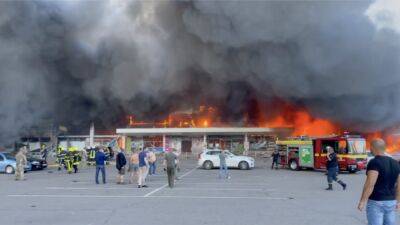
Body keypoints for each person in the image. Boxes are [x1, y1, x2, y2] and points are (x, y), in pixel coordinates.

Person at [358, 139, 400, 225]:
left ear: (373, 148)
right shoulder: (395, 163)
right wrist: (398, 201)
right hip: (391, 202)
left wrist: (362, 201)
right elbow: (399, 185)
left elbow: (370, 184)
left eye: (370, 147)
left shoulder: (374, 162)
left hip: (376, 202)